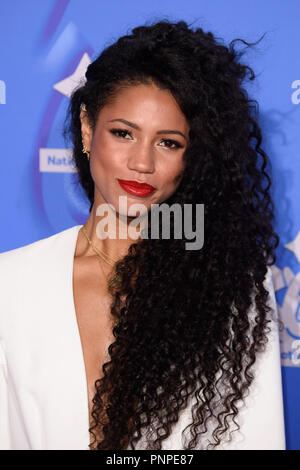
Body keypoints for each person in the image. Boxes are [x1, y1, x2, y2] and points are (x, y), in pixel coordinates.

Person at [0, 19, 285, 450]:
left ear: (194, 157)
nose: (142, 163)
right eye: (123, 133)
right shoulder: (12, 282)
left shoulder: (234, 287)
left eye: (168, 142)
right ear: (86, 129)